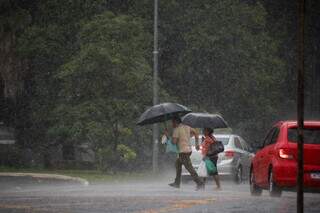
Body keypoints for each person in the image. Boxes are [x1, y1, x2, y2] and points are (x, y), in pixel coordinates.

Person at [165, 117, 205, 190]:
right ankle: (177, 182)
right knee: (178, 164)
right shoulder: (187, 127)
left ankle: (200, 183)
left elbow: (173, 142)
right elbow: (196, 132)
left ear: (176, 122)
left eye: (172, 122)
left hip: (183, 152)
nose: (172, 124)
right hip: (188, 150)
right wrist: (197, 144)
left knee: (189, 168)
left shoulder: (176, 130)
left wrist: (167, 136)